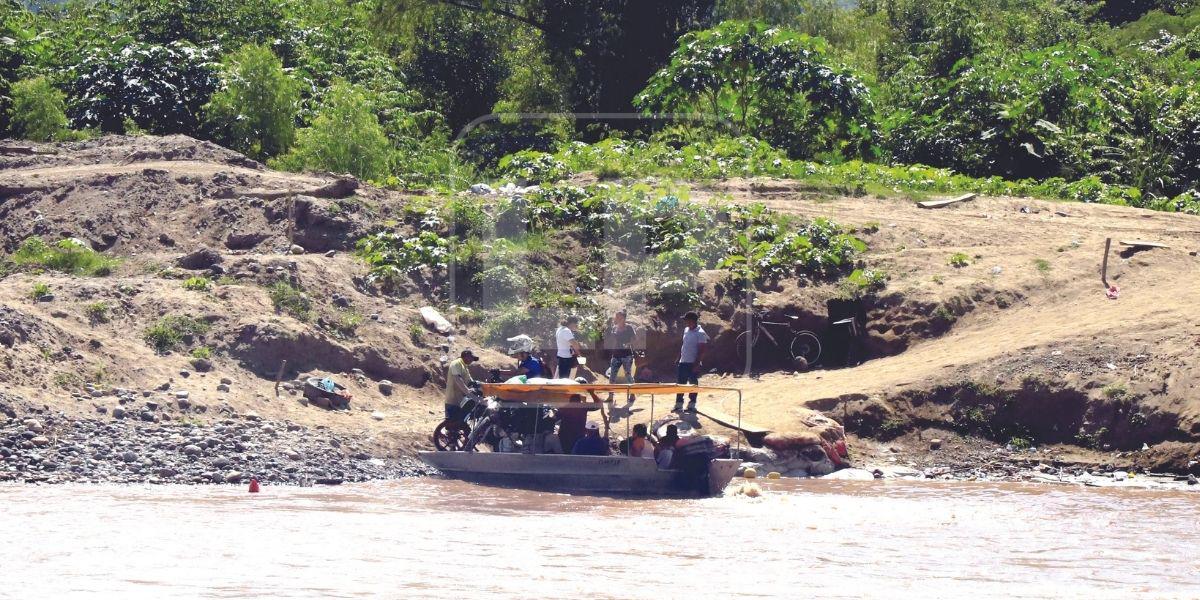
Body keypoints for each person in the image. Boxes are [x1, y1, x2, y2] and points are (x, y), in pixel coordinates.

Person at [674, 311, 709, 413]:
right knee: (680, 384)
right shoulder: (686, 330)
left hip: (692, 363)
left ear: (692, 321)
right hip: (683, 362)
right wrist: (679, 357)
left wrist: (697, 363)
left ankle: (692, 405)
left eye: (687, 320)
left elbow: (702, 350)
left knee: (693, 385)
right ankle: (678, 405)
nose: (685, 322)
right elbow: (683, 345)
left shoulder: (700, 333)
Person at [443, 349, 479, 421]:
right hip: (452, 400)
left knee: (460, 423)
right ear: (466, 356)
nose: (472, 361)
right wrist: (468, 392)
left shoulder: (464, 367)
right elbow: (457, 379)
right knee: (452, 425)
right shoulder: (456, 363)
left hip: (460, 401)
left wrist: (481, 386)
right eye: (471, 358)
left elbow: (471, 382)